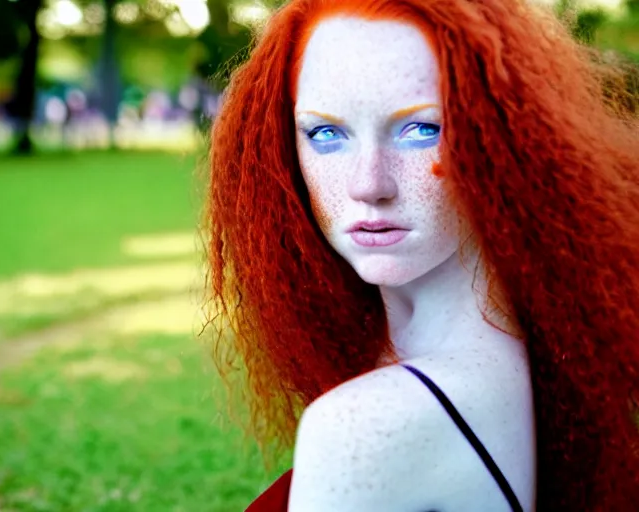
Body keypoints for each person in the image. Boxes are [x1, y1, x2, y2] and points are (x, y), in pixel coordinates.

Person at [203, 0, 639, 510]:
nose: (370, 184)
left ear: (505, 134)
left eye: (422, 129)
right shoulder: (549, 343)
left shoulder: (362, 426)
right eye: (326, 133)